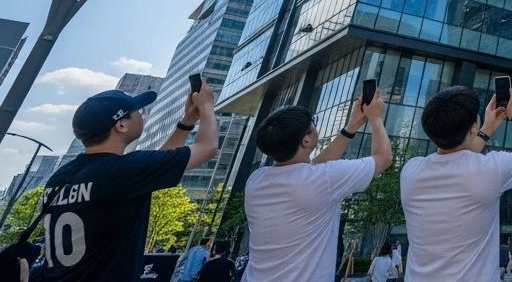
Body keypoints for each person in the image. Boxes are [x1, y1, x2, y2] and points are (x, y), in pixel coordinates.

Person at [38, 79, 220, 280]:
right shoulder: (124, 170)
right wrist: (207, 105)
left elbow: (155, 167)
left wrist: (186, 123)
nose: (141, 115)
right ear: (121, 125)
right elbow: (208, 147)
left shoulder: (60, 177)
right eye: (137, 112)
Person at [242, 87, 392, 281]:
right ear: (306, 140)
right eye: (313, 124)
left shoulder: (256, 180)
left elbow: (311, 170)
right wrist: (375, 117)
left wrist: (352, 125)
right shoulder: (323, 180)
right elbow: (383, 158)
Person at [399, 85, 512, 281]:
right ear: (473, 127)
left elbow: (460, 161)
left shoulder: (410, 172)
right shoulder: (490, 170)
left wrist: (486, 129)